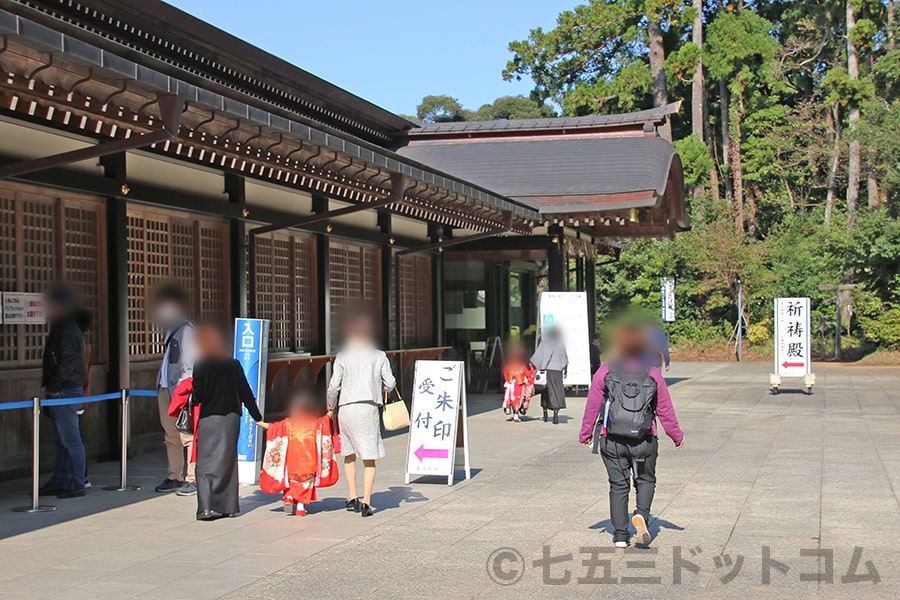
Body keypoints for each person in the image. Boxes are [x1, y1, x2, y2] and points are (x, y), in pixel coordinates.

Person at [579, 322, 684, 548]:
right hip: (645, 438)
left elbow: (593, 405)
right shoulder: (652, 373)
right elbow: (664, 408)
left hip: (612, 437)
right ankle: (641, 516)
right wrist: (676, 435)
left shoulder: (605, 370)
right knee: (645, 479)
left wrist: (586, 433)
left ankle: (619, 535)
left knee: (618, 485)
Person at [190, 323, 266, 520]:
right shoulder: (233, 365)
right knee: (228, 461)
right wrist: (257, 416)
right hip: (232, 418)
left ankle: (206, 507)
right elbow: (245, 392)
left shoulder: (201, 365)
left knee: (205, 464)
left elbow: (197, 396)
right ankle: (229, 507)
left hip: (210, 418)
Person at [327, 309, 395, 518]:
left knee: (348, 454)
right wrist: (383, 388)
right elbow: (390, 383)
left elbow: (333, 387)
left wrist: (331, 407)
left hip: (346, 409)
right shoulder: (379, 356)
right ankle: (366, 502)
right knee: (368, 458)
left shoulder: (342, 356)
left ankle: (352, 495)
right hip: (367, 408)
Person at [39, 286, 88, 499]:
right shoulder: (62, 326)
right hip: (63, 388)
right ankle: (61, 478)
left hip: (65, 390)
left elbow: (67, 361)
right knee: (60, 439)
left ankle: (77, 480)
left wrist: (54, 387)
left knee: (70, 438)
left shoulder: (67, 328)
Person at [152, 283, 197, 495]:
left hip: (180, 388)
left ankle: (192, 476)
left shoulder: (186, 331)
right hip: (165, 387)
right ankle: (174, 475)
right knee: (171, 433)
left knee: (187, 433)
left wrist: (183, 389)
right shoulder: (170, 331)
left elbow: (191, 364)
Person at [277, 388, 337, 516]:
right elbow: (326, 420)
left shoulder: (289, 423)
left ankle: (288, 497)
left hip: (292, 461)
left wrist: (260, 422)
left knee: (290, 481)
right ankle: (300, 507)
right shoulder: (315, 423)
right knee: (304, 485)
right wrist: (330, 410)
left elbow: (274, 428)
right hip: (309, 462)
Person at [531, 325, 568, 424]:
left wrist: (537, 366)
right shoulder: (560, 344)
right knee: (556, 391)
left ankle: (545, 411)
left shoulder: (544, 343)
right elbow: (564, 358)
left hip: (546, 370)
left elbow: (537, 357)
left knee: (545, 391)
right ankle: (556, 413)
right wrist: (564, 369)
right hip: (557, 371)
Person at [74, 308, 93, 488]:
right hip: (81, 394)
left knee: (74, 437)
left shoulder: (81, 345)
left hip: (77, 394)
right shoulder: (83, 343)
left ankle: (82, 476)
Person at [501, 344, 534, 423]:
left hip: (515, 383)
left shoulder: (510, 365)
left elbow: (505, 372)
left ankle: (515, 411)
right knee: (516, 399)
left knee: (515, 399)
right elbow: (529, 374)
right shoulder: (523, 365)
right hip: (517, 384)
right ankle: (516, 412)